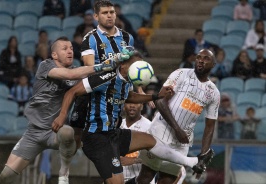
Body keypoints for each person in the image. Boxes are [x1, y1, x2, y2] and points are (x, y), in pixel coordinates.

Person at [52, 51, 215, 184]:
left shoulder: (126, 82)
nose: (139, 68)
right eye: (136, 65)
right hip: (96, 138)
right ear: (123, 65)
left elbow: (129, 96)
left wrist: (155, 96)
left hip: (113, 134)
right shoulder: (105, 77)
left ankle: (191, 162)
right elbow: (72, 92)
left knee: (150, 141)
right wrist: (62, 116)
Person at [0, 36, 119, 184]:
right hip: (33, 133)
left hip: (55, 131)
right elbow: (70, 75)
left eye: (72, 48)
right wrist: (104, 65)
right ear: (54, 55)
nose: (70, 51)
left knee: (68, 132)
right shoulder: (45, 66)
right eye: (65, 49)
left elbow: (90, 78)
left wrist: (116, 64)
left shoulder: (77, 71)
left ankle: (64, 171)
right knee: (5, 176)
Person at [134, 49, 220, 184]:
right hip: (160, 131)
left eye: (206, 58)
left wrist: (203, 155)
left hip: (182, 142)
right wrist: (177, 129)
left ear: (214, 64)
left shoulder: (214, 92)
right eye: (198, 57)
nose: (201, 60)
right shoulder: (180, 74)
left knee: (167, 180)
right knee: (145, 177)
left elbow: (210, 126)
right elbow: (160, 100)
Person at [68, 0, 136, 150]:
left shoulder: (128, 38)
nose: (109, 16)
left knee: (111, 135)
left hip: (117, 91)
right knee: (77, 133)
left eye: (111, 12)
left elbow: (132, 67)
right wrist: (116, 60)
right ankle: (66, 168)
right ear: (96, 17)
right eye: (105, 13)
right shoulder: (90, 38)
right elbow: (90, 68)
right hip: (93, 90)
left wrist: (140, 90)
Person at [119, 102, 154, 183]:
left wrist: (134, 160)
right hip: (119, 179)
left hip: (142, 180)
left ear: (141, 106)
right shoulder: (118, 125)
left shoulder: (149, 126)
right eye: (129, 103)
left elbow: (158, 155)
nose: (132, 105)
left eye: (136, 103)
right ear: (124, 106)